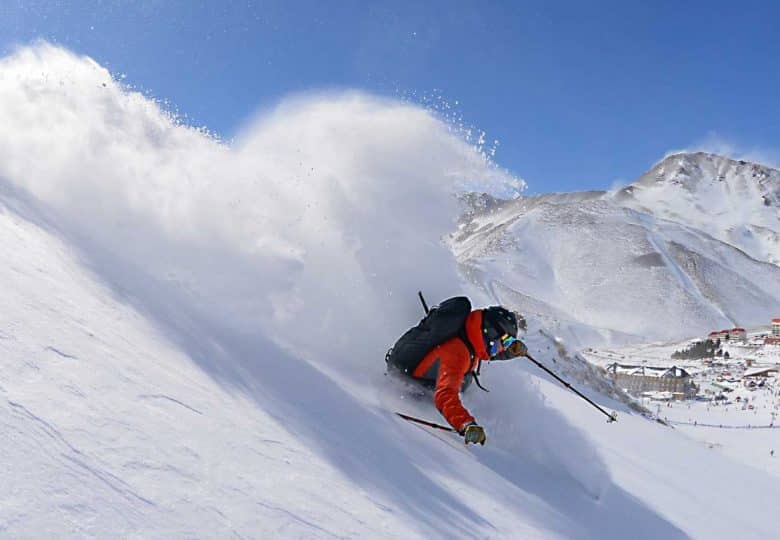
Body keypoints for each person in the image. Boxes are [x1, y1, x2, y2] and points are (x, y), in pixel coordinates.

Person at [408, 305, 528, 445]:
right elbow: (445, 395)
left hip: (437, 381)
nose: (502, 349)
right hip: (418, 393)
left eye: (509, 344)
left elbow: (488, 353)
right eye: (504, 342)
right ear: (490, 332)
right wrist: (466, 425)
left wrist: (512, 351)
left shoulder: (471, 335)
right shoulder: (458, 353)